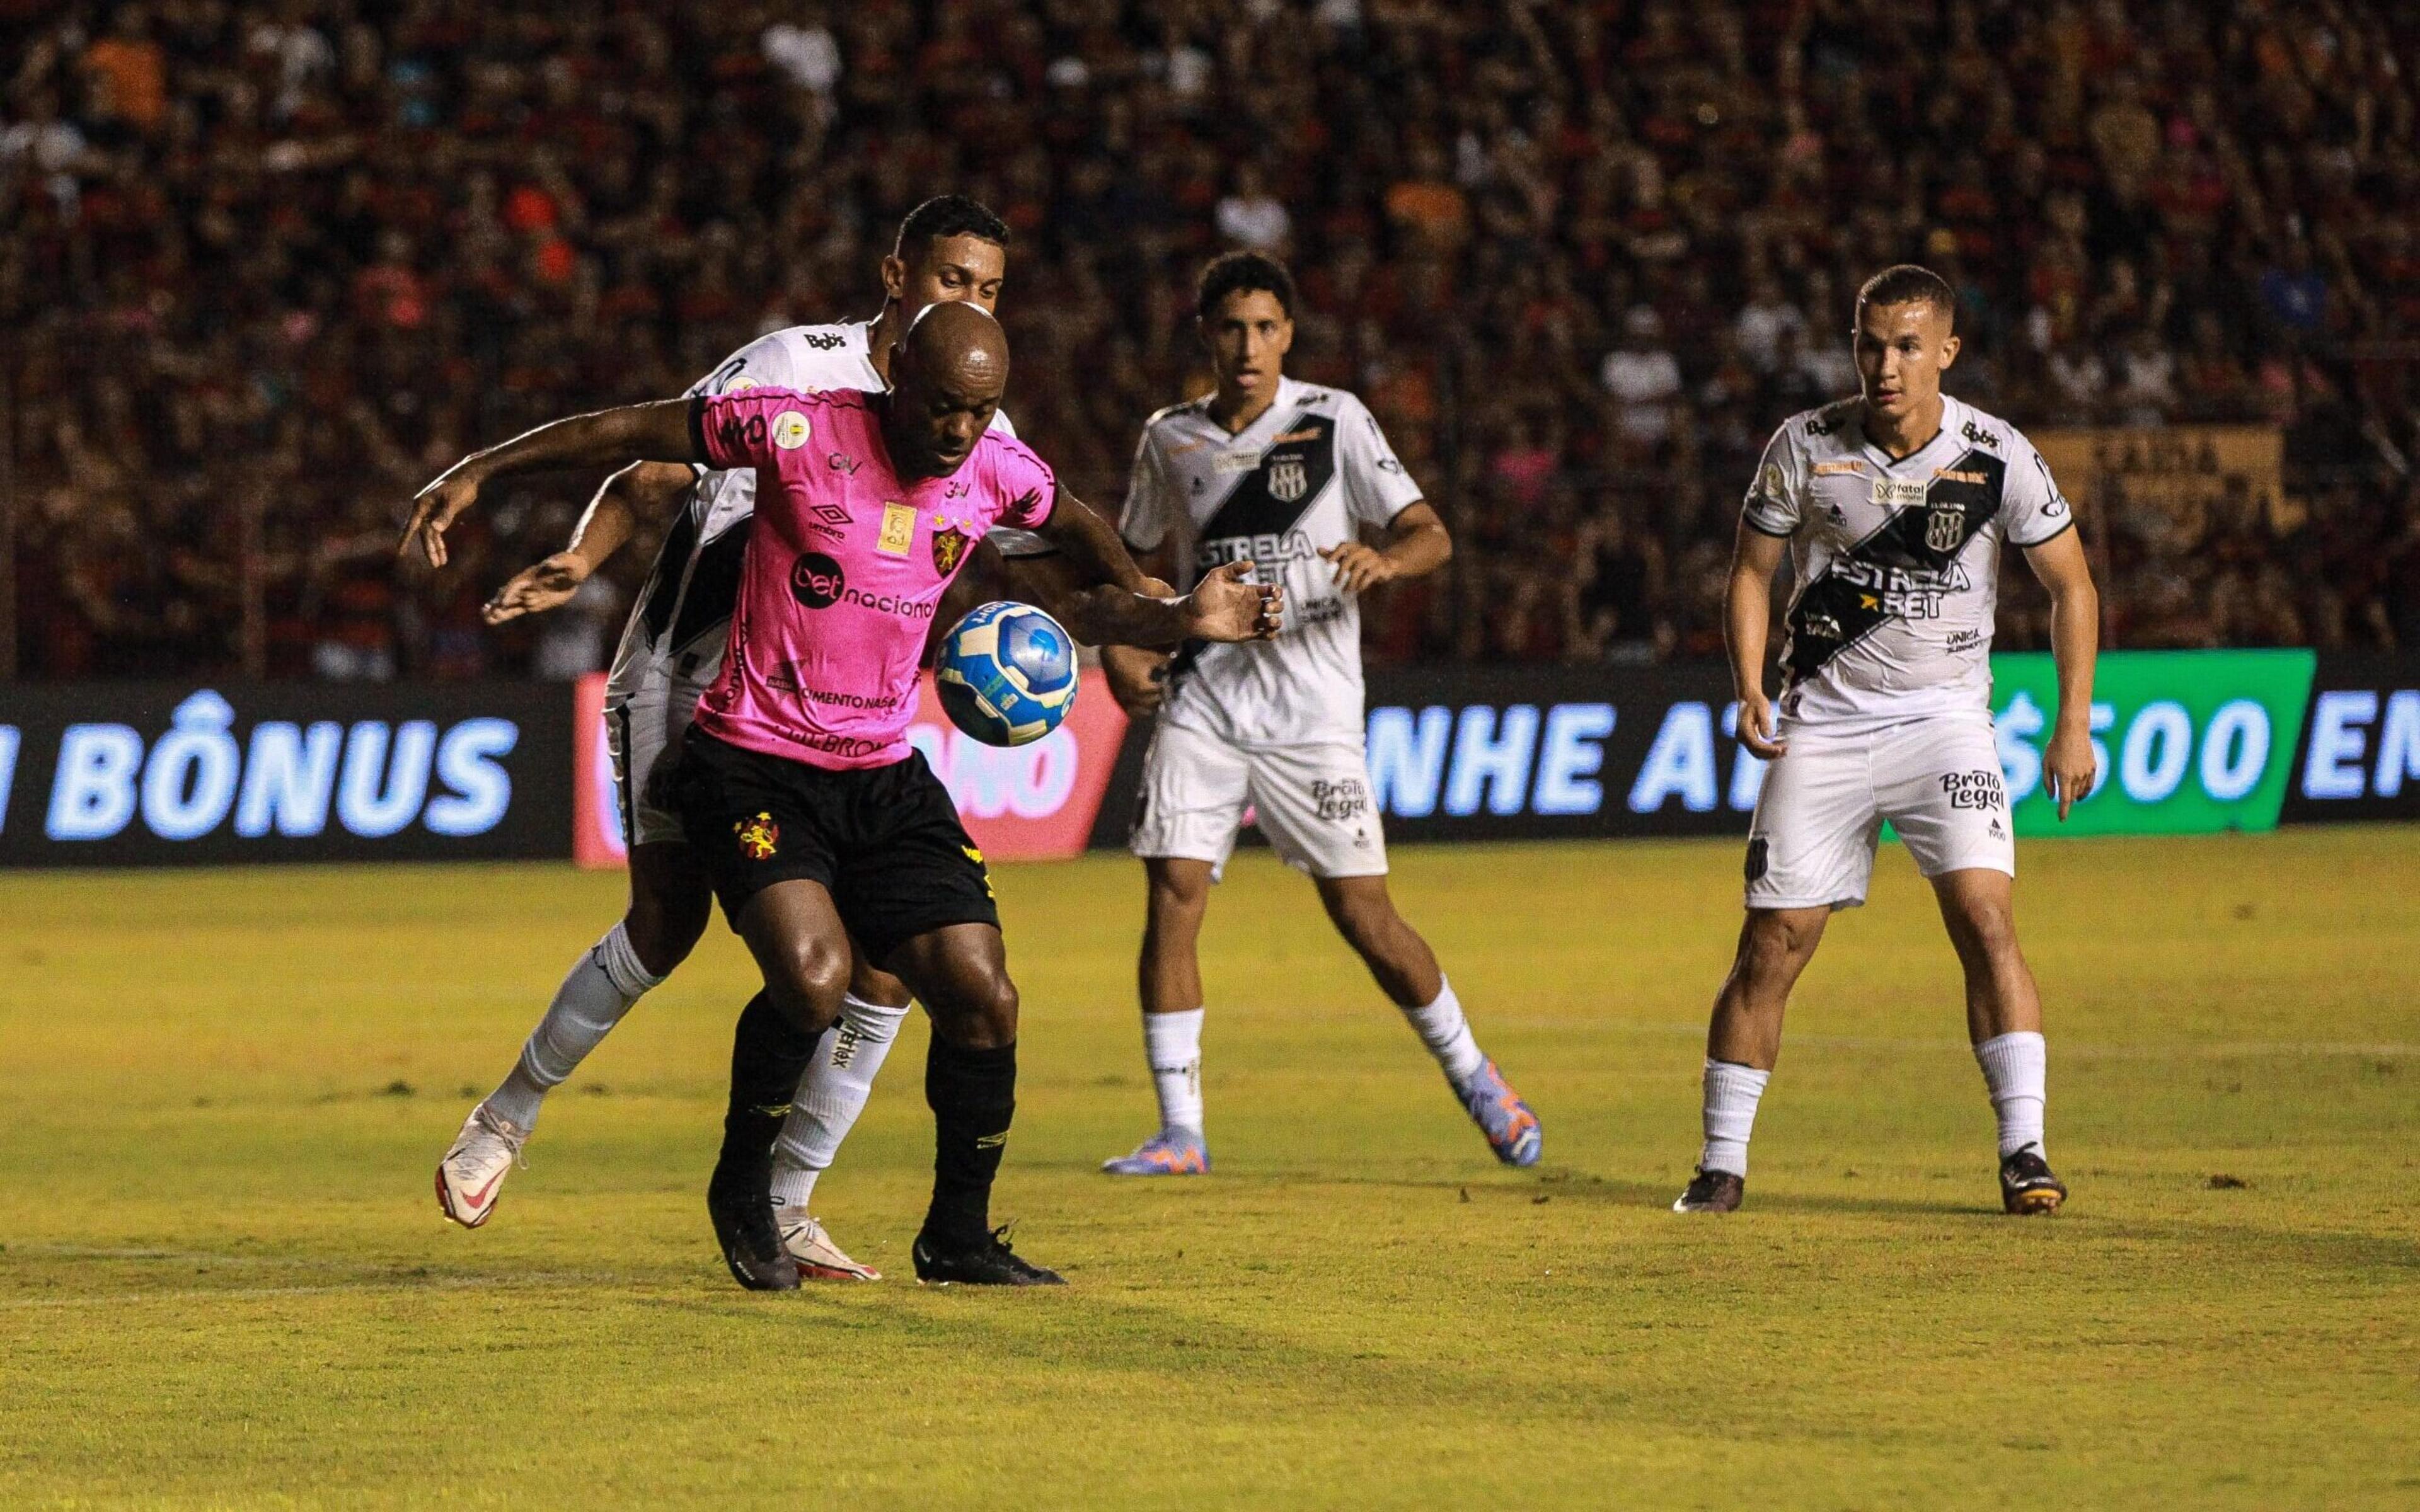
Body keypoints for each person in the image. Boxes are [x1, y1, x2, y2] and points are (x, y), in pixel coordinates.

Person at [403, 302, 1282, 1287]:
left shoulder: (995, 466)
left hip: (878, 768)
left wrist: (1176, 614)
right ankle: (744, 1193)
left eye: (980, 410)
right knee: (811, 978)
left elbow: (1078, 549)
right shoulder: (796, 426)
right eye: (945, 406)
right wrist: (478, 469)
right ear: (896, 372)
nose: (960, 430)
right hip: (752, 755)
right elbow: (630, 433)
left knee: (982, 992)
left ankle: (956, 1236)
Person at [434, 197, 1072, 1283]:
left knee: (888, 965)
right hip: (691, 676)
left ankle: (786, 1202)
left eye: (990, 290)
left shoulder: (975, 417)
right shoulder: (797, 368)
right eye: (953, 280)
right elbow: (655, 459)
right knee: (667, 923)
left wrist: (1144, 617)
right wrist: (584, 561)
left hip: (841, 720)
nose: (969, 305)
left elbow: (1040, 537)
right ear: (895, 275)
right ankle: (507, 1115)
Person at [1098, 252, 1540, 1177]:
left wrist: (1389, 563)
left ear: (1288, 335)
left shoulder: (1334, 420)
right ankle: (1181, 1130)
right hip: (1206, 702)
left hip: (1314, 716)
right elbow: (1135, 568)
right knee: (1173, 893)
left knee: (1364, 915)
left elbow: (1430, 532)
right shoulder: (1169, 439)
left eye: (1265, 327)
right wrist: (1124, 646)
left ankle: (1476, 1077)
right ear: (1206, 337)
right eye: (1231, 328)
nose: (1249, 345)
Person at [1673, 265, 2100, 1217]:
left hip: (1946, 722)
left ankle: (2024, 1151)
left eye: (1909, 346)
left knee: (1986, 920)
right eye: (1871, 345)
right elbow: (1751, 572)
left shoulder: (1998, 455)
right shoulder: (1806, 447)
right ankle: (1719, 1164)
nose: (1887, 365)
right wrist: (1748, 681)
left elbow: (2072, 586)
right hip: (1823, 719)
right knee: (1773, 942)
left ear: (1947, 350)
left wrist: (2074, 722)